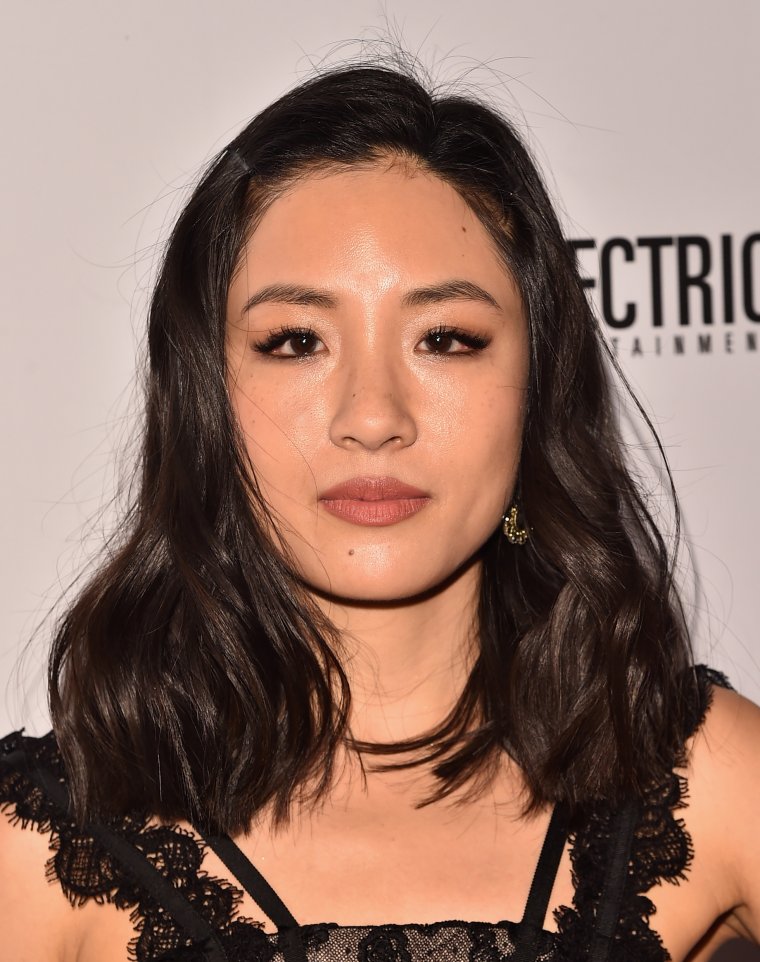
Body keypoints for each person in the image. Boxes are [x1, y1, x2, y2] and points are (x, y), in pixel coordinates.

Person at [0, 62, 758, 962]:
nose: (372, 417)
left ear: (538, 387)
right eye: (296, 341)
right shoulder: (38, 852)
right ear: (206, 398)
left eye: (445, 339)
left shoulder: (709, 777)